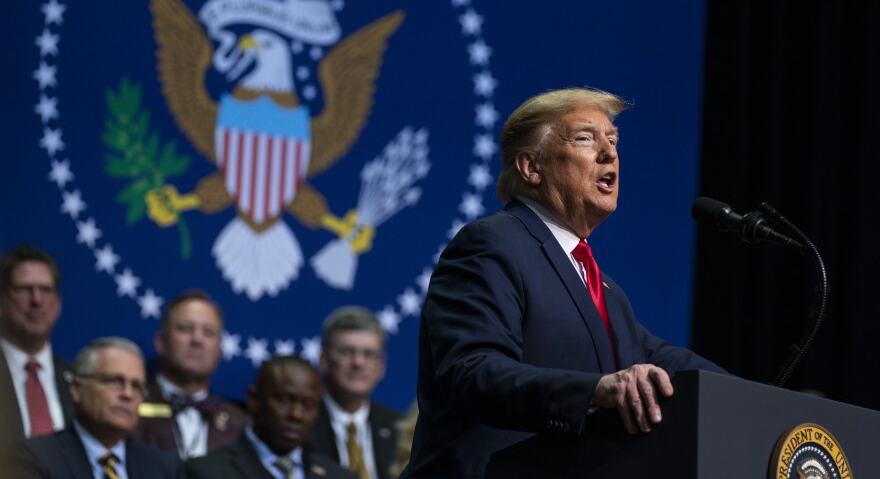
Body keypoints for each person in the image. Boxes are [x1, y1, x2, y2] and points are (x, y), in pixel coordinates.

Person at [400, 87, 727, 478]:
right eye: (586, 138)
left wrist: (760, 399)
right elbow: (473, 373)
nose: (609, 153)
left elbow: (669, 363)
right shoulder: (491, 244)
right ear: (531, 167)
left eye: (613, 140)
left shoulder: (605, 290)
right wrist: (596, 391)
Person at [4, 336, 185, 478]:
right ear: (76, 389)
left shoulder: (165, 470)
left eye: (137, 387)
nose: (127, 394)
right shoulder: (34, 459)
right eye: (114, 381)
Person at [186, 355, 357, 479]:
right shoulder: (207, 472)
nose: (296, 415)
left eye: (308, 404)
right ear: (254, 400)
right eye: (284, 400)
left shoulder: (340, 477)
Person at [134, 289, 250, 459]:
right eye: (185, 329)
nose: (197, 340)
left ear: (220, 350)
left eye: (208, 332)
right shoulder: (129, 407)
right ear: (161, 342)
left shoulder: (241, 424)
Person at [308, 307, 401, 479]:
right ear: (324, 360)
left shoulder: (399, 429)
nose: (358, 362)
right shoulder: (301, 425)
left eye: (369, 354)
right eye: (346, 352)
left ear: (381, 366)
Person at [0, 245, 73, 457]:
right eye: (24, 289)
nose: (36, 300)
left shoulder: (76, 380)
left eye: (45, 290)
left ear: (58, 304)